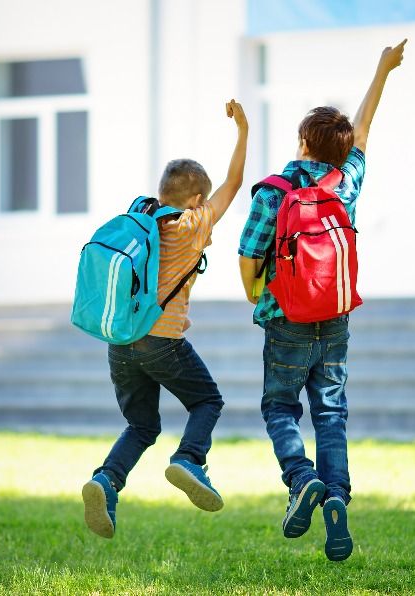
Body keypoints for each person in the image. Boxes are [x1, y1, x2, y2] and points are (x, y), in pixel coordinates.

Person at [237, 40, 406, 561]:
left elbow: (248, 255)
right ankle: (336, 498)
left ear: (302, 143)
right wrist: (382, 69)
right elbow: (365, 129)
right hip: (334, 319)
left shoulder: (274, 190)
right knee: (330, 413)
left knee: (278, 407)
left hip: (284, 316)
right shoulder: (345, 184)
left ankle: (302, 478)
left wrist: (256, 297)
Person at [82, 100, 249, 539]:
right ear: (195, 198)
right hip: (163, 340)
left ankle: (105, 480)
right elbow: (234, 183)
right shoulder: (192, 224)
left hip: (121, 339)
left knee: (141, 424)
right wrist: (243, 130)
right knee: (207, 401)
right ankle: (190, 459)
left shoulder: (141, 216)